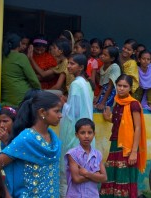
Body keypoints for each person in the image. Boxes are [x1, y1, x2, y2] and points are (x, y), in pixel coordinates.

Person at [0, 91, 62, 197]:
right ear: (42, 112)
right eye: (56, 111)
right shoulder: (26, 138)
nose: (60, 115)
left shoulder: (54, 139)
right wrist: (6, 195)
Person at [100, 74, 147, 198]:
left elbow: (137, 128)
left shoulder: (133, 104)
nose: (121, 88)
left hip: (127, 146)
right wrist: (108, 118)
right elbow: (120, 123)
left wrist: (133, 152)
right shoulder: (118, 101)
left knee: (124, 176)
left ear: (130, 88)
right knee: (113, 174)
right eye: (119, 85)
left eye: (124, 86)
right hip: (115, 143)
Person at [59, 53, 94, 196]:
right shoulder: (86, 84)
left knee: (70, 167)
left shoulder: (75, 84)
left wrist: (64, 104)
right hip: (86, 129)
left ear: (81, 67)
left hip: (75, 131)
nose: (68, 66)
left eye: (72, 64)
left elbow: (73, 112)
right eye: (68, 63)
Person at [65, 118, 107, 198]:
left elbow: (104, 178)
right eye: (82, 133)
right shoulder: (72, 154)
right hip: (75, 195)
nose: (86, 136)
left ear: (94, 134)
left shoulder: (97, 154)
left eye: (89, 132)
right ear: (77, 135)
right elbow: (76, 179)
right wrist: (95, 175)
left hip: (92, 195)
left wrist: (87, 174)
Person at [1, 32, 41, 107]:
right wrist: (40, 92)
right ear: (19, 44)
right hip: (22, 98)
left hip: (6, 98)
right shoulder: (21, 57)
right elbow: (34, 80)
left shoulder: (2, 57)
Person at [94, 46, 121, 110]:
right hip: (104, 91)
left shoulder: (114, 67)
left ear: (112, 58)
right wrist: (97, 98)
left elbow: (110, 86)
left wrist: (102, 103)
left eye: (105, 55)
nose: (102, 56)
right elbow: (103, 86)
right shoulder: (102, 67)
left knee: (104, 107)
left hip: (112, 92)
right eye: (102, 54)